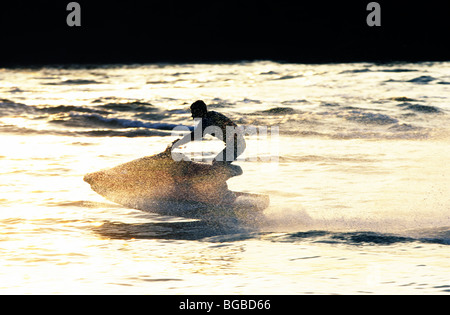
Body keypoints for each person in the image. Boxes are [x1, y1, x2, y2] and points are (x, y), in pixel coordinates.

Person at [171, 100, 246, 166]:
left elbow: (196, 134)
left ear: (199, 111)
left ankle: (233, 171)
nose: (192, 115)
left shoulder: (208, 120)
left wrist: (178, 143)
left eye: (193, 112)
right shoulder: (211, 115)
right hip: (237, 144)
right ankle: (224, 177)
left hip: (237, 145)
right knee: (217, 164)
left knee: (218, 165)